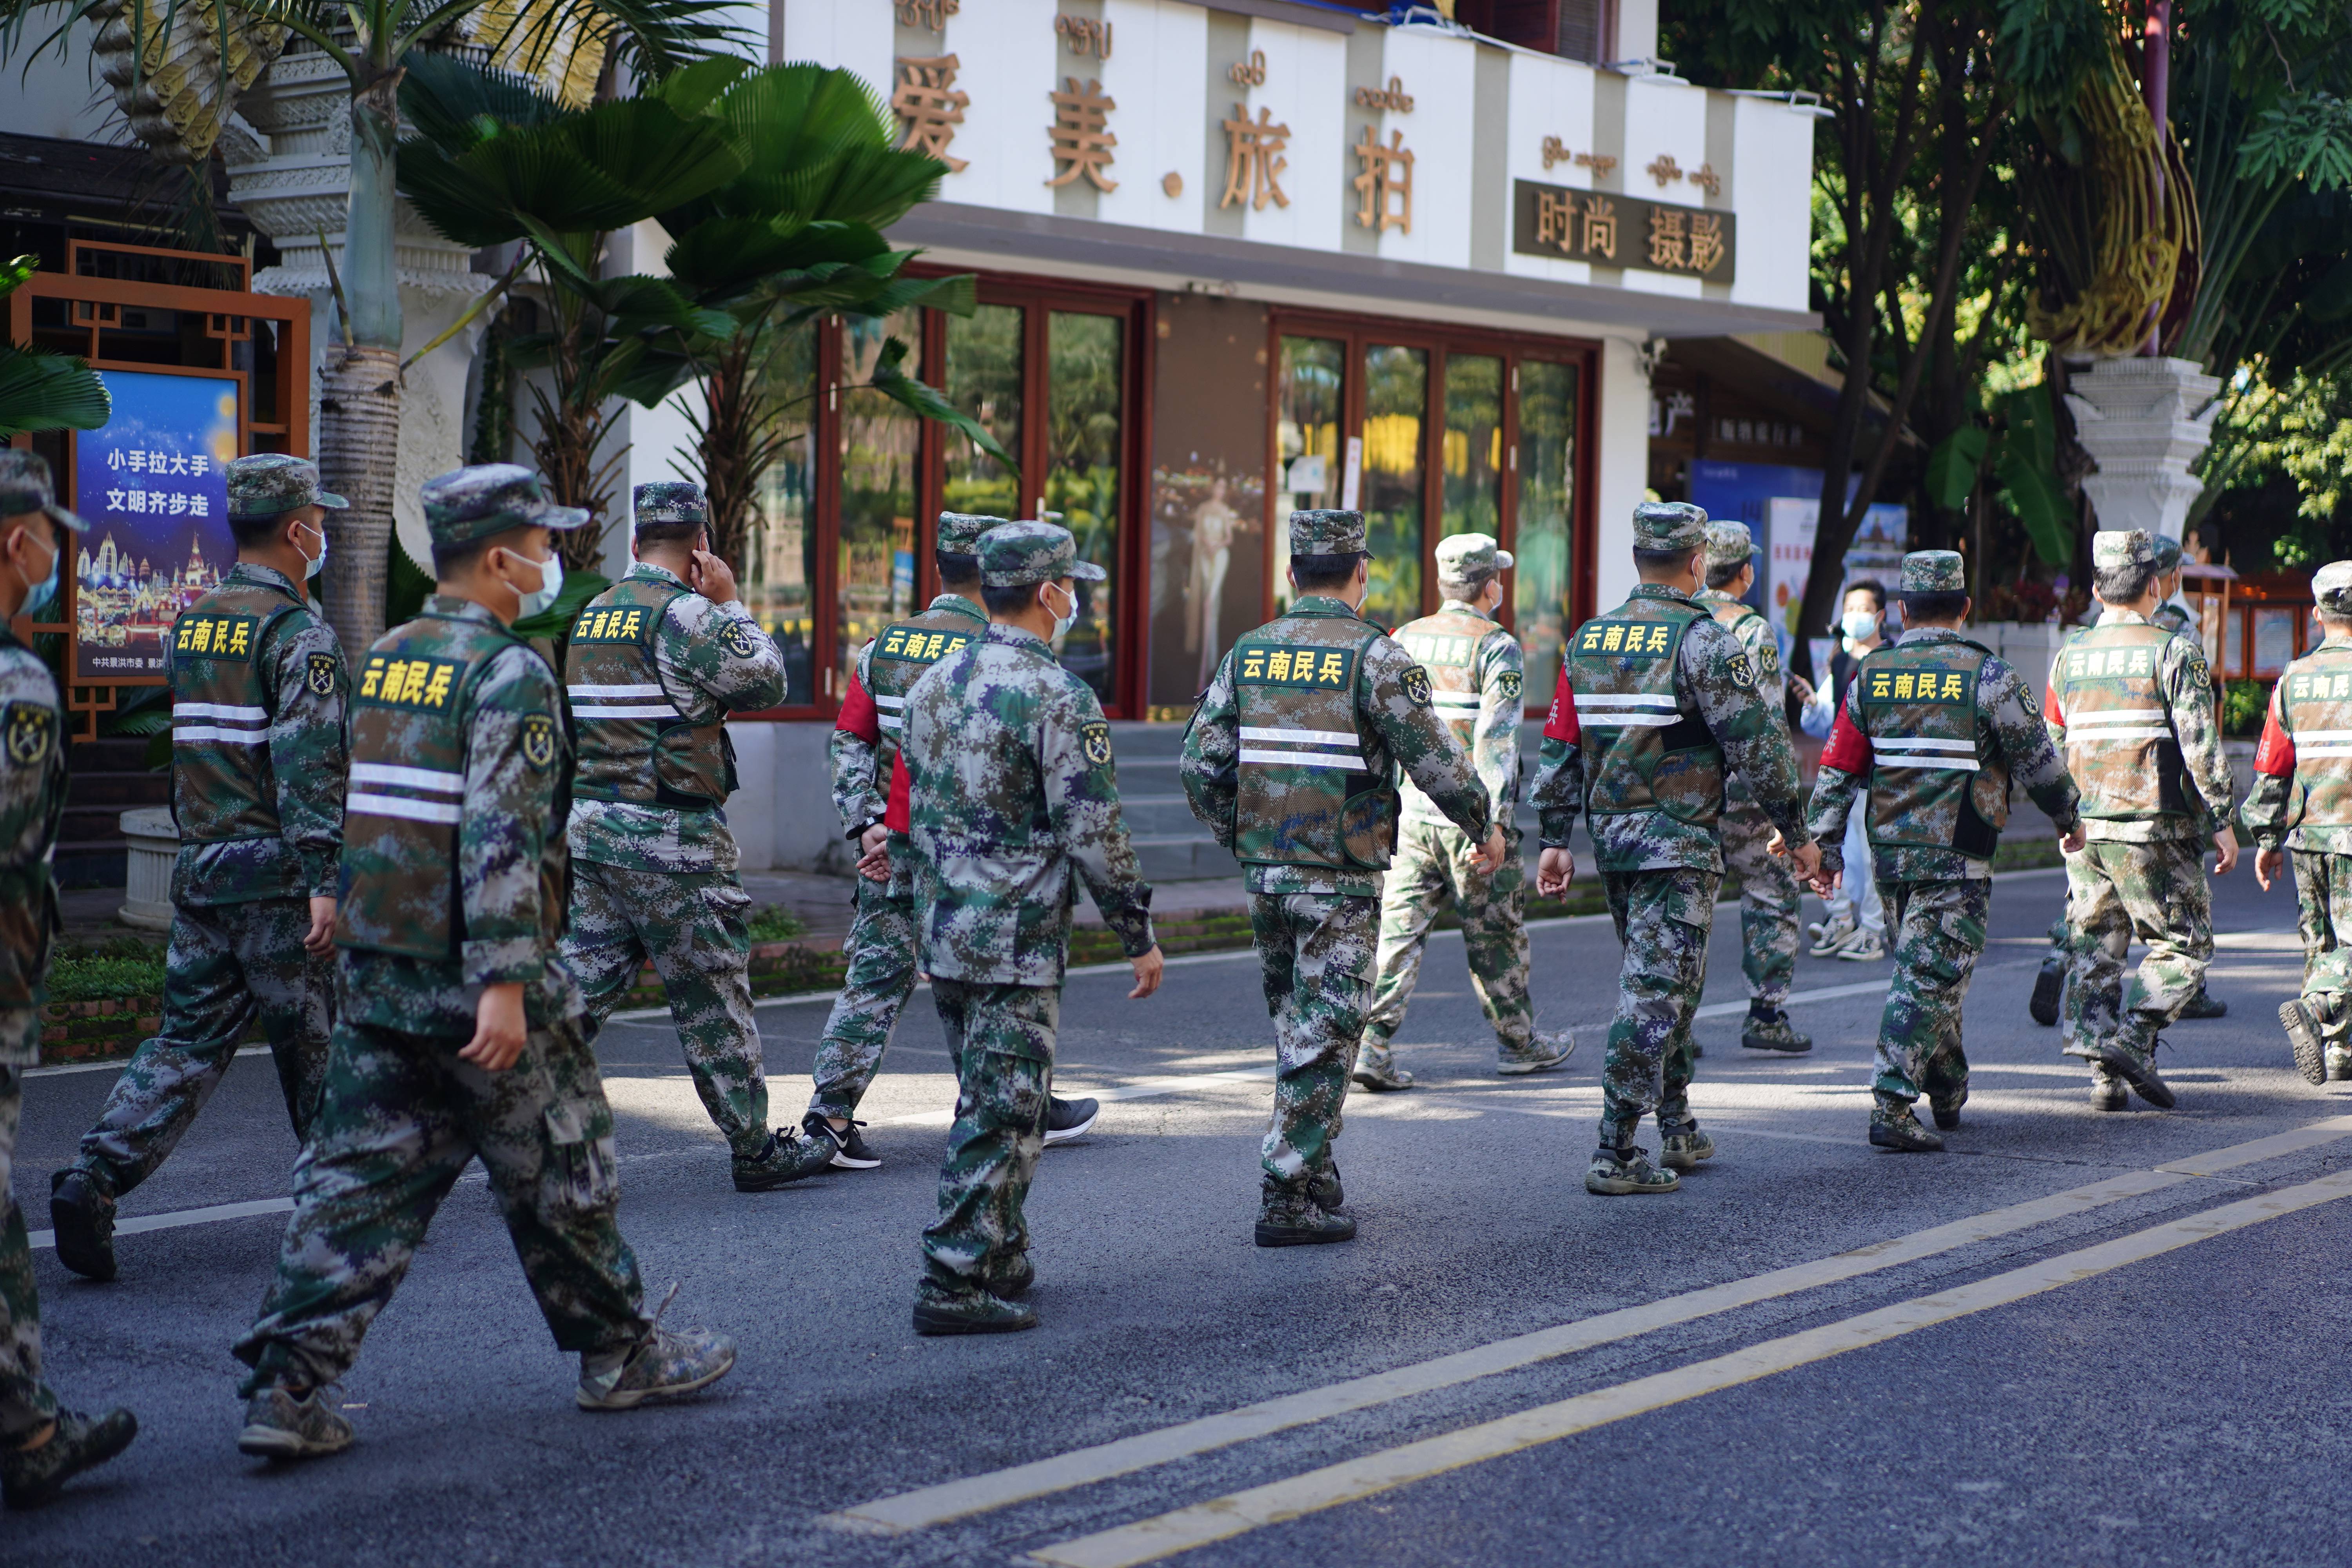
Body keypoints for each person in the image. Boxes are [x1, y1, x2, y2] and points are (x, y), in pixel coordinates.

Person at [233, 464, 732, 1459]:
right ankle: (621, 1356)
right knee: (564, 1169)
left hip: (385, 973)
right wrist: (505, 985)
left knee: (356, 1187)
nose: (553, 563)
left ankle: (287, 1388)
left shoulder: (388, 656)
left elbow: (359, 804)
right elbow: (500, 834)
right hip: (481, 985)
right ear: (501, 558)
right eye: (544, 547)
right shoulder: (508, 675)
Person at [50, 455, 349, 1281]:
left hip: (204, 868)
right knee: (317, 1044)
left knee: (185, 1041)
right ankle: (342, 1209)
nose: (326, 533)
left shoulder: (198, 620)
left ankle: (95, 1175)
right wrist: (325, 878)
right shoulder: (298, 634)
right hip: (279, 878)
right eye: (320, 520)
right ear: (296, 530)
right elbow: (309, 765)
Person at [1182, 509, 1503, 1245]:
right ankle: (1289, 1193)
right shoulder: (1376, 656)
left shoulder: (1250, 651)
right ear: (1361, 573)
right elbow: (1439, 764)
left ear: (1293, 575)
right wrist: (1486, 825)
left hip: (1268, 871)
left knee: (1301, 1027)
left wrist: (1242, 832)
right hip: (1339, 874)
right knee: (1327, 1033)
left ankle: (1315, 1171)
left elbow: (1199, 764)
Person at [899, 521, 1163, 1334]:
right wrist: (1135, 929)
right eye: (1071, 586)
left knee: (989, 1097)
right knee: (1003, 1111)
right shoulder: (1059, 694)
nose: (1075, 599)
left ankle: (1001, 1252)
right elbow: (1092, 828)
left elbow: (918, 807)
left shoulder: (930, 682)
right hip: (1014, 936)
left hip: (945, 924)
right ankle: (952, 1278)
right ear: (1048, 593)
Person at [1532, 501, 1821, 1196]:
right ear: (1696, 563)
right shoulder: (1705, 642)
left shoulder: (1588, 642)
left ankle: (1679, 1123)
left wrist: (1553, 839)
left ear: (1639, 560)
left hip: (1615, 846)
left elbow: (1561, 744)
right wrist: (1799, 832)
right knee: (1655, 996)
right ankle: (1616, 1148)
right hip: (1680, 845)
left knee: (1671, 988)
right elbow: (1762, 748)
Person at [802, 512, 1100, 1176]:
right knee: (983, 986)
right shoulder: (1002, 649)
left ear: (937, 568)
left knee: (876, 978)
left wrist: (867, 822)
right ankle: (1016, 1106)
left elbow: (853, 737)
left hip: (890, 848)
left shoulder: (884, 646)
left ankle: (831, 1113)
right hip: (971, 854)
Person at [556, 482, 802, 1191]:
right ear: (700, 547)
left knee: (576, 994)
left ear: (636, 545)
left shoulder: (595, 613)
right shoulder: (688, 613)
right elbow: (766, 680)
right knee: (712, 996)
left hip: (597, 835)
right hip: (675, 843)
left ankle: (502, 1126)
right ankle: (755, 1150)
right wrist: (728, 601)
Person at [1803, 551, 2084, 1151]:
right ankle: (1892, 1102)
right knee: (1930, 975)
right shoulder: (1988, 676)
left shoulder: (1871, 675)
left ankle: (1949, 1088)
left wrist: (1824, 846)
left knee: (1931, 972)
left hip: (1892, 856)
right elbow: (2039, 762)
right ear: (1965, 608)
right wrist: (2069, 818)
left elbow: (1837, 770)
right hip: (1959, 855)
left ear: (1902, 610)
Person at [0, 452, 138, 1506]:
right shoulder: (18, 684)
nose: (56, 558)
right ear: (18, 544)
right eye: (50, 537)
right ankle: (30, 1428)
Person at [1356, 532, 1572, 1090]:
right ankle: (1519, 1043)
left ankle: (1371, 1046)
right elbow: (1495, 742)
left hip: (1410, 818)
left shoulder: (1403, 638)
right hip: (1468, 823)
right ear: (1490, 586)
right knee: (1495, 935)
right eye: (1498, 576)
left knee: (1397, 934)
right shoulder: (1495, 645)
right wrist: (1493, 825)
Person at [2045, 528, 2238, 1113]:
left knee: (2097, 946)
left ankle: (2105, 1074)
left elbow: (2052, 741)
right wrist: (2224, 819)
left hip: (2086, 827)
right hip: (2153, 824)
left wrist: (2062, 816)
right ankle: (2135, 1035)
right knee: (2184, 944)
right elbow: (2199, 743)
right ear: (2155, 585)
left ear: (2099, 590)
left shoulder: (2069, 655)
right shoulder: (2172, 649)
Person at [1695, 522, 1811, 1053]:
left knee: (1686, 902)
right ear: (1745, 572)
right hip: (1742, 792)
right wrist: (1787, 813)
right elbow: (1764, 724)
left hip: (1683, 790)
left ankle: (1671, 1025)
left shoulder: (1681, 619)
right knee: (1772, 891)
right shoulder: (1751, 628)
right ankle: (1766, 1015)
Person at [2247, 561, 2352, 1084]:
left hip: (2308, 833)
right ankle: (2315, 1012)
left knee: (2323, 943)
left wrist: (2266, 839)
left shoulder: (2294, 678)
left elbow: (2272, 767)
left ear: (2316, 614)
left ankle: (2339, 1051)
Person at [1800, 579, 1889, 960]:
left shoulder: (1889, 663)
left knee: (1871, 858)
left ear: (1881, 616)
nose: (1854, 617)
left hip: (1876, 779)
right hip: (1841, 779)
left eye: (1862, 610)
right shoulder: (1840, 661)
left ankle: (1872, 930)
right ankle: (1841, 921)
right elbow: (1828, 720)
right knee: (1835, 852)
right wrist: (1811, 703)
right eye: (1849, 609)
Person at [1189, 477, 1238, 689]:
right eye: (1218, 486)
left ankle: (1207, 667)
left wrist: (1216, 545)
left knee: (1210, 601)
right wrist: (1206, 543)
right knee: (1205, 602)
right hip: (1204, 554)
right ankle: (1205, 661)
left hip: (1219, 555)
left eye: (1223, 487)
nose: (1220, 490)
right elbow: (1198, 533)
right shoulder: (1203, 508)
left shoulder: (1225, 510)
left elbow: (1229, 538)